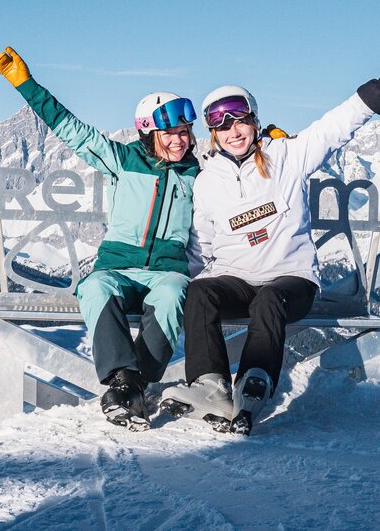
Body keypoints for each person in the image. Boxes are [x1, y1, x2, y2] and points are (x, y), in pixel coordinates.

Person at [0, 46, 200, 429]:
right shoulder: (122, 159)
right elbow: (71, 129)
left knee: (174, 294)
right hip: (119, 267)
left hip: (166, 271)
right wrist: (26, 85)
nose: (181, 141)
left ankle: (133, 387)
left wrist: (272, 142)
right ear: (149, 132)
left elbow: (243, 157)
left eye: (185, 133)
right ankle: (126, 381)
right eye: (171, 133)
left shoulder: (198, 174)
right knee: (94, 287)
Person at [162, 79, 380, 435]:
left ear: (254, 120)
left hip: (290, 281)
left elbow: (333, 128)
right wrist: (174, 288)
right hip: (236, 278)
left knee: (268, 299)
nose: (233, 131)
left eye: (239, 120)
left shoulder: (287, 157)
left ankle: (253, 381)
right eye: (221, 125)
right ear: (212, 133)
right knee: (201, 293)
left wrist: (371, 95)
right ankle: (211, 386)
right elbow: (200, 245)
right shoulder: (208, 181)